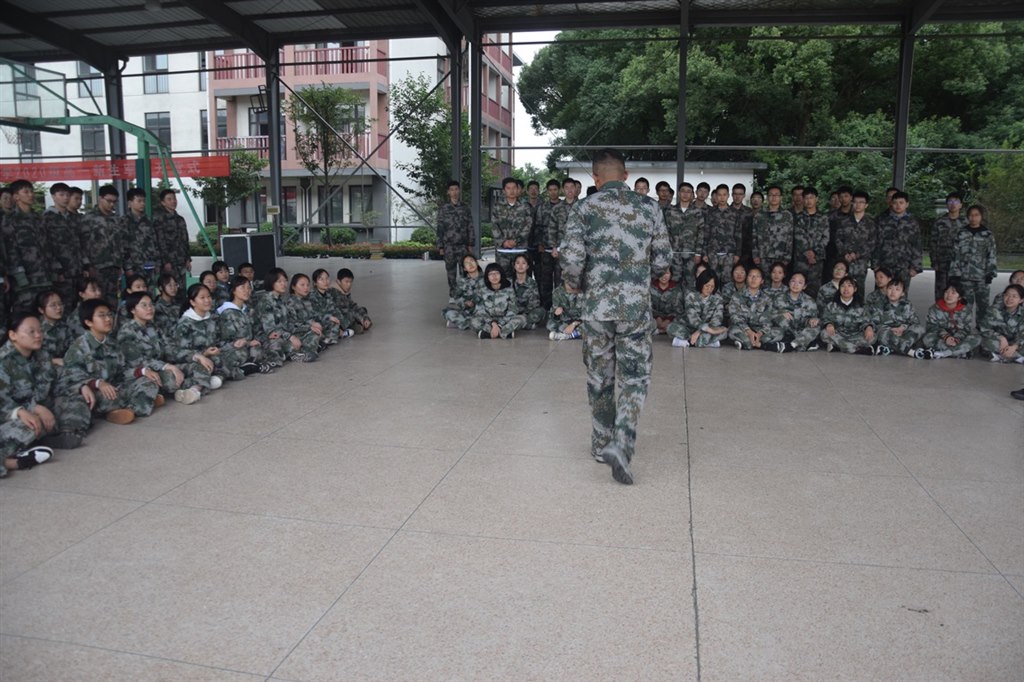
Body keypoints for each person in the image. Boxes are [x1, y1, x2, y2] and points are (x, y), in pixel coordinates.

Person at [560, 147, 671, 485]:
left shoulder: (583, 208)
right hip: (634, 308)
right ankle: (621, 442)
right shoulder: (649, 207)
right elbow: (663, 259)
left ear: (595, 178)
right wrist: (650, 274)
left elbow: (572, 260)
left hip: (596, 308)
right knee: (635, 377)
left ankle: (600, 444)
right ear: (625, 176)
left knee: (599, 376)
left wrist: (574, 284)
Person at [57, 299, 162, 434]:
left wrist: (141, 371)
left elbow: (122, 372)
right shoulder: (79, 347)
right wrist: (96, 383)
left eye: (109, 315)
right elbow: (68, 379)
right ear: (88, 322)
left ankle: (129, 410)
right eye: (102, 316)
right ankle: (140, 402)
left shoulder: (112, 344)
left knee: (149, 381)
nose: (108, 319)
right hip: (97, 393)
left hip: (114, 387)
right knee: (105, 397)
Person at [0, 311, 58, 477]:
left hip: (35, 408)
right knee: (30, 426)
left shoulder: (42, 354)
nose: (38, 335)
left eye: (40, 331)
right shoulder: (3, 362)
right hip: (7, 416)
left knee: (71, 405)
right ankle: (12, 462)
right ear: (13, 335)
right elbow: (3, 403)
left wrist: (84, 386)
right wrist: (21, 411)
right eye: (31, 332)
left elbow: (55, 382)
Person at [117, 291, 196, 403]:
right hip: (143, 373)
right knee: (172, 378)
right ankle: (192, 388)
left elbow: (168, 348)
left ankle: (192, 390)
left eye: (151, 304)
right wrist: (166, 366)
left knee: (197, 366)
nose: (149, 308)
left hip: (161, 367)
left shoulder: (153, 326)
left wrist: (194, 356)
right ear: (133, 310)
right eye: (144, 305)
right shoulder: (127, 332)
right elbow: (138, 362)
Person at [2, 179, 57, 309]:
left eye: (32, 191)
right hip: (25, 280)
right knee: (26, 313)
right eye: (26, 192)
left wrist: (54, 270)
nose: (31, 195)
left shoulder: (38, 218)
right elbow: (10, 250)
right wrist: (20, 276)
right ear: (16, 196)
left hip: (45, 277)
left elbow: (47, 246)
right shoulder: (9, 220)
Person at [218, 275, 279, 374]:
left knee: (273, 343)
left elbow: (257, 329)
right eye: (242, 287)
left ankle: (253, 364)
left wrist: (265, 337)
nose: (246, 291)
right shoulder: (227, 312)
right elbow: (225, 341)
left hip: (251, 344)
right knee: (242, 353)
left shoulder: (247, 310)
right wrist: (247, 343)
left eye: (248, 288)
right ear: (233, 290)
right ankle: (250, 367)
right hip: (235, 348)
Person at [949, 204, 997, 326]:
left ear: (981, 217)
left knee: (983, 305)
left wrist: (990, 273)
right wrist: (955, 274)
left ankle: (982, 328)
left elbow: (991, 254)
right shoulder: (961, 233)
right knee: (965, 304)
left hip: (982, 277)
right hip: (965, 277)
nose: (973, 218)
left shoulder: (987, 234)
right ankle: (964, 328)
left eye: (976, 215)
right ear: (967, 217)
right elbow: (955, 255)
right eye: (971, 215)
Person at [79, 184, 125, 303]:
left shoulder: (116, 219)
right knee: (97, 299)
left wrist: (120, 264)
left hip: (114, 267)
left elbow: (120, 242)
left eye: (114, 202)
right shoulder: (88, 218)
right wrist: (87, 265)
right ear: (100, 198)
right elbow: (82, 243)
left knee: (113, 299)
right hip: (96, 267)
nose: (112, 205)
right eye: (109, 201)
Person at [42, 182, 83, 309]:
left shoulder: (73, 217)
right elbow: (46, 246)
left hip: (77, 268)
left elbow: (79, 242)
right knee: (63, 304)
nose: (65, 198)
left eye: (67, 195)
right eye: (61, 195)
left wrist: (85, 264)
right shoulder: (47, 218)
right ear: (53, 196)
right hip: (61, 271)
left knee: (78, 304)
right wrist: (56, 269)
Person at [255, 268, 310, 363]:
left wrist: (305, 328)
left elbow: (288, 323)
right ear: (271, 282)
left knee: (307, 334)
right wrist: (290, 337)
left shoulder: (280, 300)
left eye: (285, 281)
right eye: (279, 281)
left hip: (283, 333)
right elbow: (271, 330)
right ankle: (290, 354)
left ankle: (292, 353)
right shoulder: (266, 301)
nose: (283, 284)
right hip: (269, 337)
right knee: (277, 343)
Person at [873, 190, 922, 291]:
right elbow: (875, 242)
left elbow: (917, 244)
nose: (898, 205)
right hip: (884, 264)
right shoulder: (882, 220)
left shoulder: (912, 222)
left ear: (907, 204)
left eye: (901, 203)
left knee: (901, 293)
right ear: (891, 203)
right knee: (881, 292)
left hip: (904, 266)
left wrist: (916, 266)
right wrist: (875, 264)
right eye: (895, 203)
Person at [761, 271, 821, 352]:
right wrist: (780, 313)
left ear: (804, 286)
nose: (795, 284)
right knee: (782, 320)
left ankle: (791, 345)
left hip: (802, 331)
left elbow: (814, 318)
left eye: (800, 282)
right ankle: (803, 343)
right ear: (789, 283)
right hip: (784, 331)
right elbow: (767, 315)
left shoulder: (810, 301)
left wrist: (813, 320)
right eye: (793, 281)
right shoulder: (778, 298)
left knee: (816, 327)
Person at [668, 269, 727, 348]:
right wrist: (704, 329)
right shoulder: (691, 296)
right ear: (701, 284)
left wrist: (699, 332)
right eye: (707, 286)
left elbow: (717, 320)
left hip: (709, 328)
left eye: (712, 286)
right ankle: (704, 342)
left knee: (724, 332)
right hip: (690, 327)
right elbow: (693, 319)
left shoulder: (718, 299)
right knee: (671, 328)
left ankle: (688, 342)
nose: (709, 289)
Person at [922, 282, 981, 359]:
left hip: (958, 338)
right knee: (927, 338)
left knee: (977, 338)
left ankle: (944, 353)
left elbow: (966, 329)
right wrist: (946, 337)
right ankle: (959, 353)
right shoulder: (934, 309)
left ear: (959, 297)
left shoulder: (966, 310)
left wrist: (956, 339)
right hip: (941, 338)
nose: (949, 295)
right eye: (946, 292)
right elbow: (931, 326)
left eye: (953, 293)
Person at [819, 276, 875, 355]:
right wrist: (829, 324)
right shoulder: (831, 305)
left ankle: (838, 346)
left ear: (855, 289)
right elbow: (824, 318)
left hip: (855, 335)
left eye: (849, 286)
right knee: (824, 334)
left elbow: (867, 321)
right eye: (843, 286)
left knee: (872, 337)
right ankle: (856, 350)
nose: (846, 289)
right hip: (837, 334)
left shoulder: (861, 306)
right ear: (839, 289)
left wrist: (868, 328)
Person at [663, 182, 704, 289]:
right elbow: (665, 232)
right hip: (674, 252)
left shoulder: (697, 212)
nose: (685, 194)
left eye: (688, 192)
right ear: (679, 193)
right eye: (683, 191)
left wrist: (698, 253)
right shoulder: (670, 211)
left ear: (692, 194)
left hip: (691, 253)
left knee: (690, 281)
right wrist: (667, 251)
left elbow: (701, 233)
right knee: (674, 281)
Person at [436, 180, 473, 297]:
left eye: (456, 189)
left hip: (463, 245)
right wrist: (440, 246)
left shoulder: (465, 208)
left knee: (465, 271)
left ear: (459, 190)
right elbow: (440, 228)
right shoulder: (444, 209)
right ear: (448, 192)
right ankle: (453, 294)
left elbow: (470, 226)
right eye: (452, 190)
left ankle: (465, 294)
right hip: (449, 246)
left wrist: (470, 243)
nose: (454, 192)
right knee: (451, 272)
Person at [836, 190, 876, 296]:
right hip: (844, 261)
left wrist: (857, 254)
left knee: (859, 290)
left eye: (861, 202)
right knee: (843, 288)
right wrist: (845, 253)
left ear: (866, 205)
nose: (858, 205)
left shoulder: (870, 223)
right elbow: (838, 239)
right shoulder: (844, 221)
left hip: (860, 263)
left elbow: (871, 243)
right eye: (855, 202)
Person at [870, 278, 924, 357]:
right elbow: (875, 323)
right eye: (890, 288)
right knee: (882, 333)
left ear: (902, 293)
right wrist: (891, 329)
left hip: (903, 332)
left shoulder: (907, 304)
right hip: (888, 333)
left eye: (897, 289)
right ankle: (908, 351)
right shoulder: (879, 304)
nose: (893, 292)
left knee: (920, 329)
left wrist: (903, 328)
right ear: (886, 290)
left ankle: (892, 348)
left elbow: (915, 321)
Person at [491, 177, 533, 277]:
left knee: (521, 279)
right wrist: (503, 242)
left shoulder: (525, 206)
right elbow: (494, 226)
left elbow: (528, 225)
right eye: (508, 188)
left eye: (514, 188)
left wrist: (516, 241)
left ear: (518, 189)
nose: (512, 191)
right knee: (503, 279)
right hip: (502, 251)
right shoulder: (497, 206)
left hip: (520, 249)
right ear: (504, 191)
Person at [470, 263, 525, 340]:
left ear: (501, 275)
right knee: (474, 321)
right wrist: (493, 323)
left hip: (505, 320)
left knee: (522, 319)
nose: (494, 276)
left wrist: (500, 324)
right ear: (487, 277)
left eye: (497, 273)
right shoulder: (482, 291)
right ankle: (505, 333)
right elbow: (480, 310)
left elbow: (513, 310)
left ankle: (488, 334)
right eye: (490, 274)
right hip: (488, 320)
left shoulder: (509, 290)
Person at [152, 189, 191, 294]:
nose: (173, 201)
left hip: (181, 260)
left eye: (174, 199)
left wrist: (188, 259)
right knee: (169, 289)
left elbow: (185, 239)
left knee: (181, 290)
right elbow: (159, 241)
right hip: (168, 261)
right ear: (163, 202)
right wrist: (165, 262)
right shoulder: (159, 219)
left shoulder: (180, 219)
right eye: (169, 199)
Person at [701, 184, 741, 286]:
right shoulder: (710, 212)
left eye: (724, 195)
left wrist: (737, 254)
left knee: (727, 280)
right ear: (716, 196)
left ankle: (726, 297)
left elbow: (738, 235)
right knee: (713, 279)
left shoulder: (735, 213)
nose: (722, 198)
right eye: (719, 195)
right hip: (713, 252)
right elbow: (705, 233)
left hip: (729, 252)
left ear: (728, 196)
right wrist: (704, 252)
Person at [793, 186, 829, 297]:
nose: (809, 201)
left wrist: (814, 252)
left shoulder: (823, 217)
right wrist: (807, 252)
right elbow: (797, 237)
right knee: (798, 287)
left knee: (815, 287)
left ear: (816, 199)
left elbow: (825, 237)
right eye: (806, 198)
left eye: (811, 198)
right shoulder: (797, 217)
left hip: (817, 259)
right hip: (801, 259)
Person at [534, 179, 564, 308]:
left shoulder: (564, 207)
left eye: (555, 190)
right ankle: (546, 307)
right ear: (547, 191)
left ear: (559, 190)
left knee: (560, 279)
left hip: (561, 248)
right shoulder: (542, 207)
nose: (553, 192)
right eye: (550, 190)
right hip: (545, 248)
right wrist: (539, 243)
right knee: (545, 279)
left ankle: (559, 306)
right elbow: (538, 227)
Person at [931, 192, 967, 301]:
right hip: (942, 264)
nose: (953, 204)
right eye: (950, 201)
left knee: (959, 293)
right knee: (941, 293)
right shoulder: (939, 222)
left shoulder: (966, 223)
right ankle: (938, 312)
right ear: (946, 204)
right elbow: (933, 243)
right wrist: (934, 261)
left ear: (961, 205)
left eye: (956, 201)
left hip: (960, 265)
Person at [728, 265, 773, 350]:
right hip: (743, 329)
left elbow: (768, 320)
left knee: (779, 332)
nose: (753, 279)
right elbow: (734, 316)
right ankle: (756, 343)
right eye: (751, 276)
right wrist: (748, 331)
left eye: (757, 276)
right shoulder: (737, 295)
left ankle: (749, 342)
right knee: (732, 330)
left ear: (762, 281)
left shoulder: (767, 298)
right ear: (746, 278)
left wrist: (760, 333)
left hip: (759, 330)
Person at [122, 188, 160, 287]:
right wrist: (128, 268)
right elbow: (123, 247)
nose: (142, 204)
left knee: (149, 291)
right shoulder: (124, 222)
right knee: (135, 292)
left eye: (143, 201)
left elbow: (155, 243)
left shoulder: (149, 221)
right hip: (134, 267)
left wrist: (157, 262)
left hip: (149, 265)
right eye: (139, 201)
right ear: (130, 203)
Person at [752, 185, 794, 271]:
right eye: (771, 195)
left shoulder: (787, 215)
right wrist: (755, 255)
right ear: (767, 197)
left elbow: (790, 238)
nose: (774, 197)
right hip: (763, 256)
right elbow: (754, 236)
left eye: (776, 195)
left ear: (781, 197)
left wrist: (787, 256)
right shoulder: (759, 215)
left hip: (781, 256)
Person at [980, 284, 1023, 363]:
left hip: (1016, 343)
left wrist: (1014, 346)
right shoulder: (993, 310)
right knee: (983, 341)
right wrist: (1001, 338)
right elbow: (984, 329)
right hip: (999, 342)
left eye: (1014, 296)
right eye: (1007, 295)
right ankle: (1017, 357)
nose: (1009, 298)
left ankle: (1001, 356)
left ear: (1021, 300)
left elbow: (1022, 335)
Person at [443, 254, 485, 330]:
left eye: (472, 261)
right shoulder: (462, 281)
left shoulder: (487, 278)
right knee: (447, 312)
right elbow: (457, 297)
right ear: (465, 268)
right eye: (467, 263)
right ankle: (475, 323)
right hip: (469, 311)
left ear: (477, 263)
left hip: (484, 310)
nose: (470, 264)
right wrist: (465, 303)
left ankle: (463, 323)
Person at [36, 289, 74, 366]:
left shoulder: (64, 326)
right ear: (41, 310)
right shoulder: (36, 328)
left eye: (60, 304)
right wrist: (53, 361)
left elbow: (73, 348)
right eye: (53, 305)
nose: (59, 308)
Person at [310, 268, 350, 340]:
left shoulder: (328, 294)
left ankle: (340, 331)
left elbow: (334, 309)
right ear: (315, 283)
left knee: (346, 316)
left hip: (329, 320)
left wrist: (341, 323)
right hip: (319, 321)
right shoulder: (311, 296)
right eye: (321, 279)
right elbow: (313, 314)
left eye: (327, 278)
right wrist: (329, 317)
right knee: (332, 325)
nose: (325, 281)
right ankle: (329, 337)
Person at [330, 268, 372, 334]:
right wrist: (361, 318)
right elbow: (344, 311)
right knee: (347, 315)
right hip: (337, 316)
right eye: (346, 282)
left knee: (363, 310)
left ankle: (360, 324)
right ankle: (350, 327)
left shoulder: (344, 291)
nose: (349, 284)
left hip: (347, 313)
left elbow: (352, 305)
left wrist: (365, 318)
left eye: (350, 282)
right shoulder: (334, 292)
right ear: (338, 281)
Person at [510, 254, 546, 330]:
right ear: (514, 266)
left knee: (540, 311)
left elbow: (534, 303)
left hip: (527, 313)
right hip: (512, 312)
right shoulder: (509, 282)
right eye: (518, 263)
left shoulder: (532, 283)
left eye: (523, 263)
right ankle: (524, 324)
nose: (520, 266)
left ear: (527, 266)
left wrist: (523, 313)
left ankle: (518, 322)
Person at [650, 270, 683, 335]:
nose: (664, 276)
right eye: (661, 273)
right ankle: (659, 330)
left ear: (671, 275)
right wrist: (657, 317)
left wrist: (669, 319)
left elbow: (679, 310)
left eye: (667, 273)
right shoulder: (651, 287)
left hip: (671, 320)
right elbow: (648, 307)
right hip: (654, 319)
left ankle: (661, 330)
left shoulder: (676, 289)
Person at [154, 273, 180, 337]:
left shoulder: (178, 304)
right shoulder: (157, 307)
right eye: (170, 285)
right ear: (161, 288)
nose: (173, 288)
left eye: (175, 285)